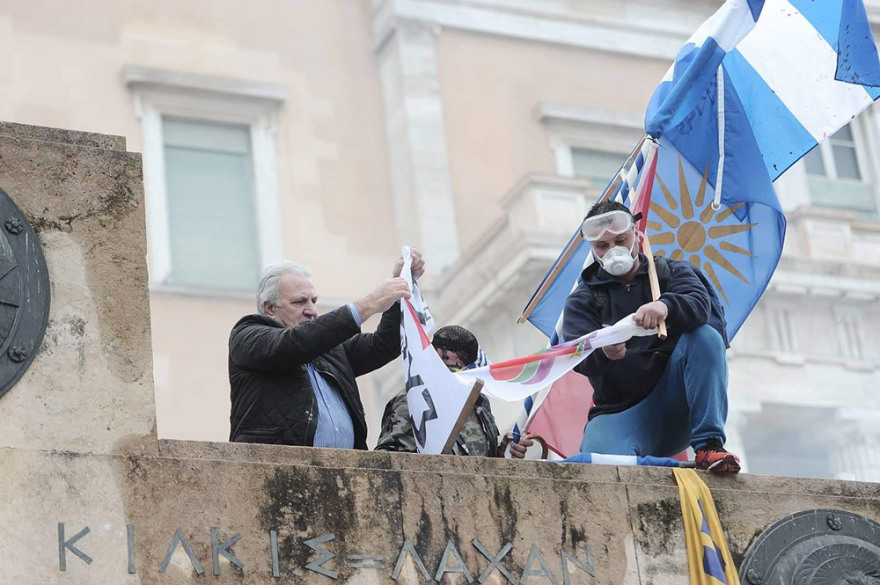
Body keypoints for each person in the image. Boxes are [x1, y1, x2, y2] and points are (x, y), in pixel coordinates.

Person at [562, 200, 740, 473]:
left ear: (636, 234)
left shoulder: (673, 272)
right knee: (598, 466)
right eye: (602, 246)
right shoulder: (582, 300)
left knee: (705, 337)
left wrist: (666, 306)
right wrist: (606, 353)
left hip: (676, 407)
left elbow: (701, 307)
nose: (613, 250)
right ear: (593, 250)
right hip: (620, 414)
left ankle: (709, 444)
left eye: (620, 240)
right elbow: (577, 356)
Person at [228, 251, 425, 449]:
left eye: (314, 301)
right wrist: (370, 304)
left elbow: (383, 345)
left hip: (347, 471)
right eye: (299, 301)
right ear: (270, 308)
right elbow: (295, 344)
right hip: (277, 471)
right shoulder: (247, 335)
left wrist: (401, 286)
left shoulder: (332, 349)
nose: (311, 310)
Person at [375, 325, 532, 458]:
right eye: (449, 358)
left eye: (464, 362)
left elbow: (483, 459)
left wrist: (504, 450)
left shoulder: (478, 402)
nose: (458, 367)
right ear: (435, 355)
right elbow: (390, 459)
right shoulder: (414, 400)